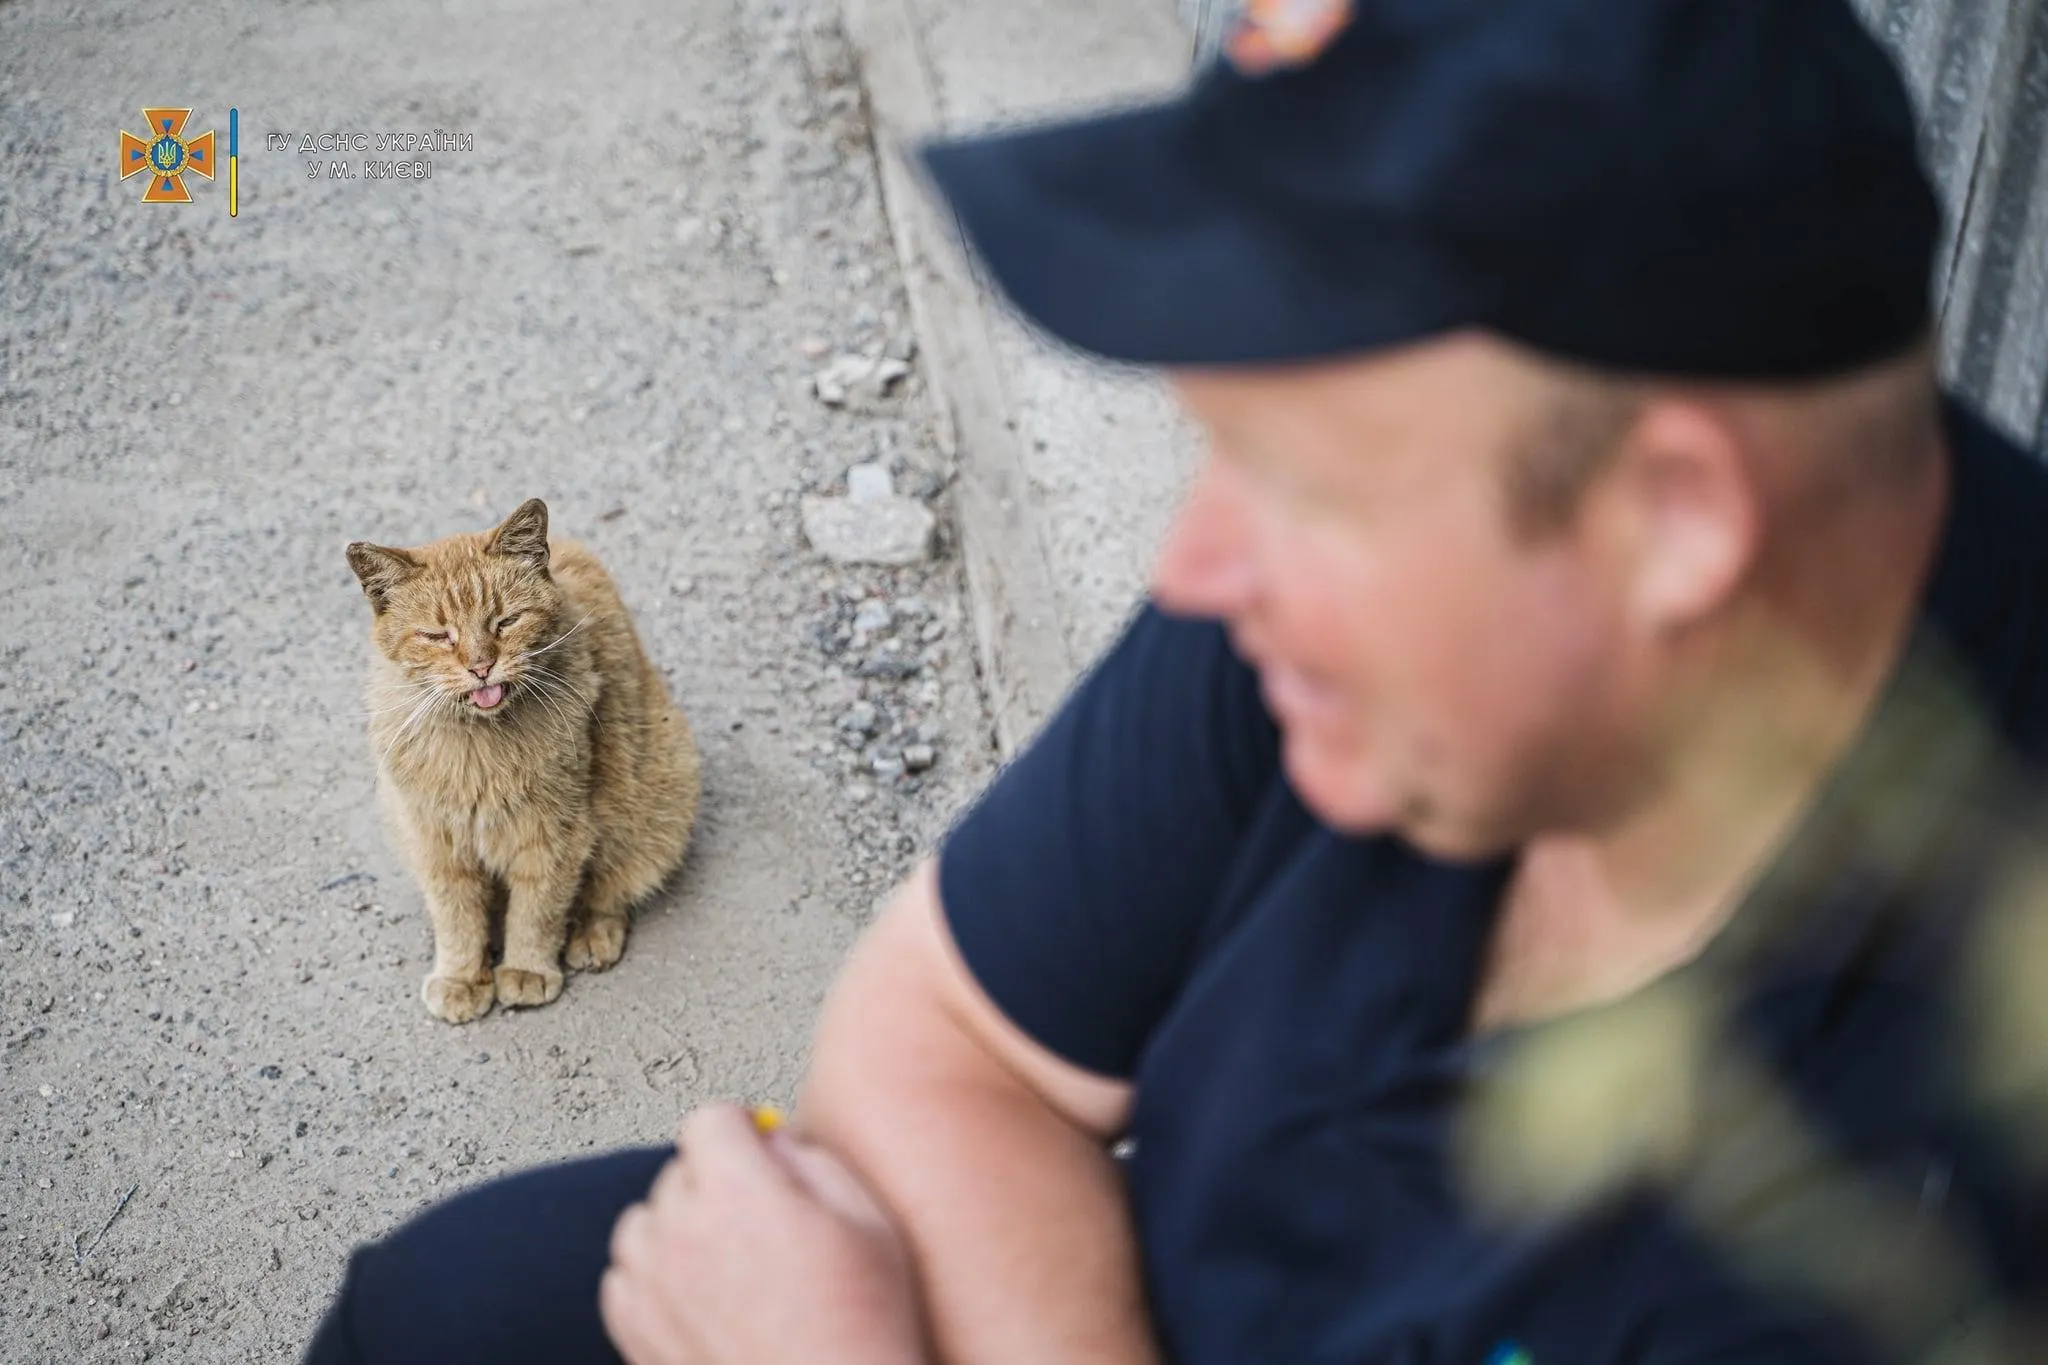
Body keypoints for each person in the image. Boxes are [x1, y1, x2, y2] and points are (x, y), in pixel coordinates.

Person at [304, 0, 2048, 1361]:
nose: (1196, 576)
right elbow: (944, 1041)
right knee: (455, 1312)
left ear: (1676, 523)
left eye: (1304, 484)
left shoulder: (1940, 1174)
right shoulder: (1381, 599)